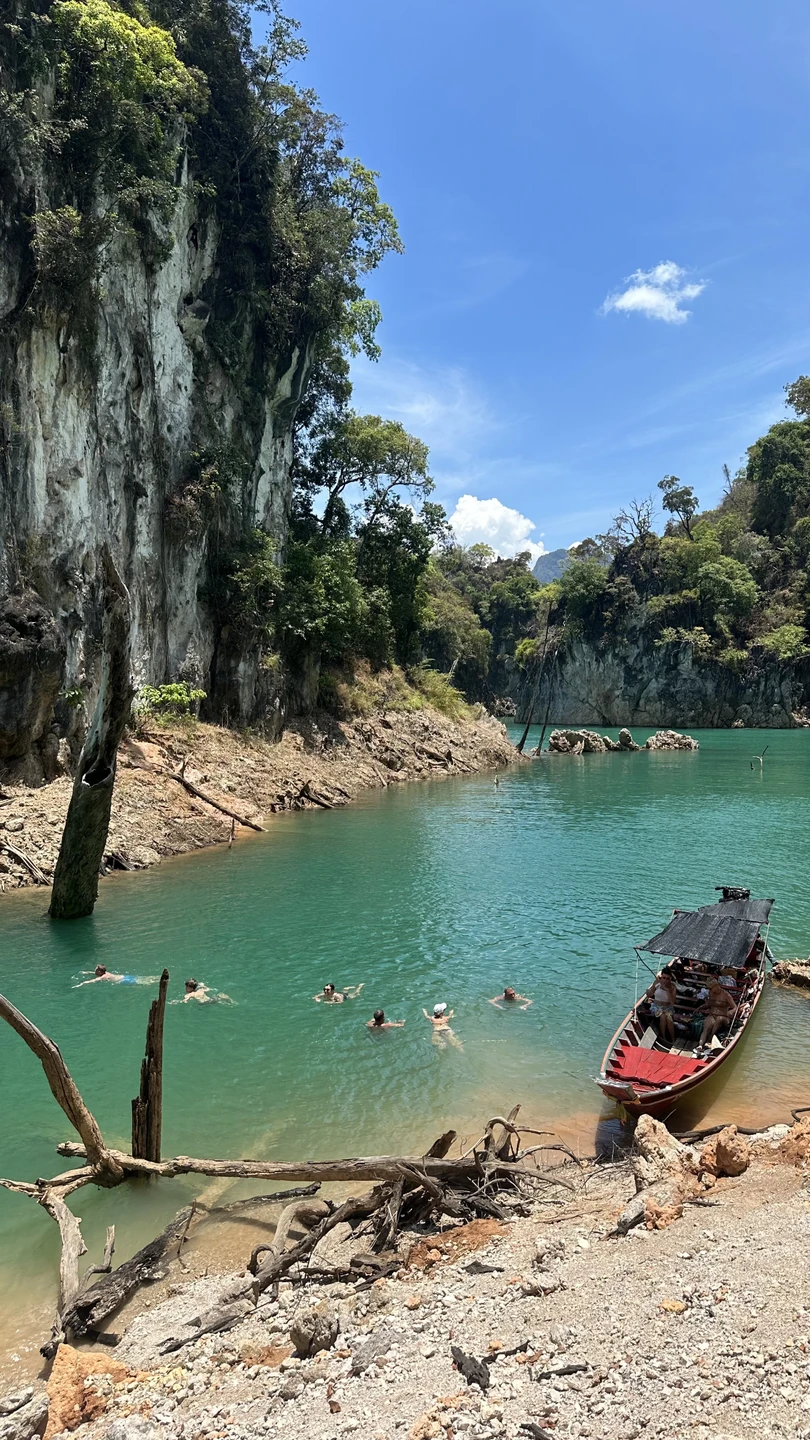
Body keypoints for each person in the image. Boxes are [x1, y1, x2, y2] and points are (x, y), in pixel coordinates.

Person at [697, 980, 737, 1049]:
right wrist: (700, 1008)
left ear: (716, 986)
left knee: (719, 1019)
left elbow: (735, 1007)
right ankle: (700, 1045)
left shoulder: (726, 995)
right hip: (713, 1015)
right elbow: (709, 1004)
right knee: (706, 1027)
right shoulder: (711, 993)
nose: (710, 990)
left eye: (711, 988)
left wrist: (731, 1011)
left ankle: (710, 1039)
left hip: (724, 1017)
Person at [644, 972, 677, 1042]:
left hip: (667, 1007)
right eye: (664, 978)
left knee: (669, 1018)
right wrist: (648, 992)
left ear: (670, 979)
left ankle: (672, 1038)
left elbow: (672, 1002)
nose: (665, 980)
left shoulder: (673, 987)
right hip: (656, 1006)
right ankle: (663, 1037)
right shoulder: (657, 983)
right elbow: (650, 994)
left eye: (668, 979)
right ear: (661, 977)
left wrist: (667, 990)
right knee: (663, 1016)